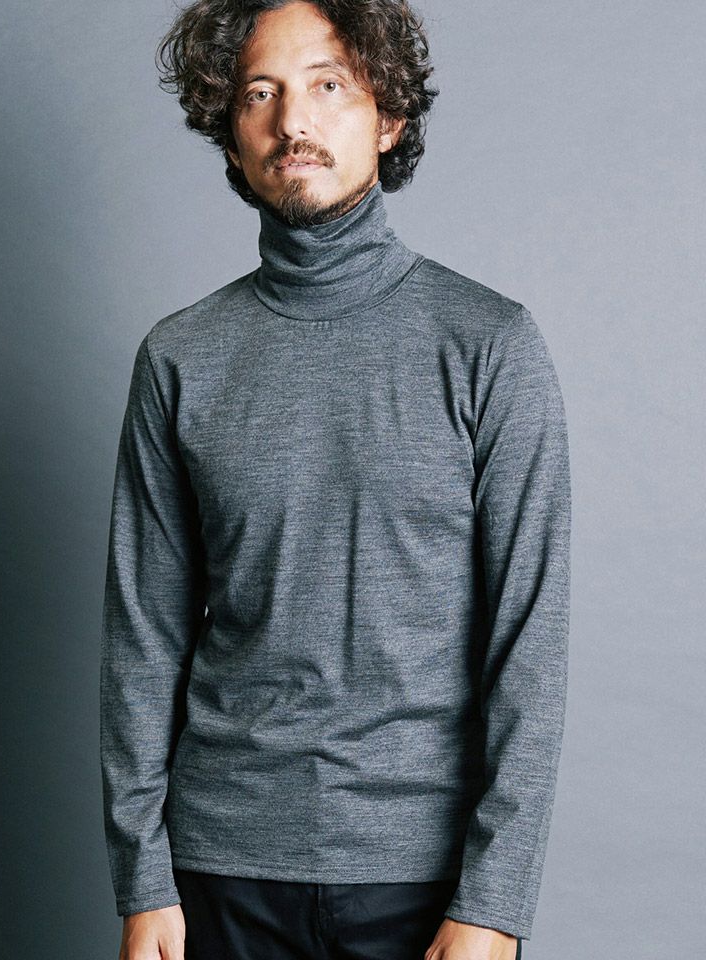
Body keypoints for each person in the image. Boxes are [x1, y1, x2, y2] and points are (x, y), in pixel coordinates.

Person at [99, 1, 571, 958]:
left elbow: (530, 642)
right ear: (231, 132)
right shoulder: (180, 357)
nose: (292, 121)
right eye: (259, 93)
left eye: (328, 85)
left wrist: (494, 903)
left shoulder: (490, 345)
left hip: (424, 880)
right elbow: (142, 637)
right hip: (217, 874)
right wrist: (141, 878)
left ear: (388, 116)